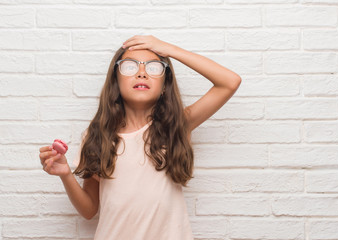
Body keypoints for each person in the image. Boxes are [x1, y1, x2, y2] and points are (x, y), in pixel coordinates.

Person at [38, 35, 241, 240]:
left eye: (153, 68)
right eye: (130, 67)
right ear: (116, 82)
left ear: (164, 86)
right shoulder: (97, 136)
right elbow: (89, 210)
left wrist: (168, 49)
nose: (142, 73)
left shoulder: (176, 126)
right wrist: (66, 174)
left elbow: (229, 82)